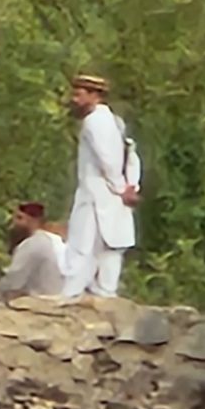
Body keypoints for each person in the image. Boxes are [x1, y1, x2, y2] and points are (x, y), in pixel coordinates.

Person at [61, 75, 141, 298]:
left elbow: (110, 159)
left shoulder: (95, 121)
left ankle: (73, 295)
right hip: (110, 196)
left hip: (98, 196)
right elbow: (131, 155)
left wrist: (122, 188)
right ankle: (104, 292)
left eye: (78, 95)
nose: (74, 99)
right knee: (107, 250)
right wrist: (131, 185)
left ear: (94, 95)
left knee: (83, 247)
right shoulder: (114, 121)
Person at [0, 202, 65, 299]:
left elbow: (13, 281)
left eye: (20, 218)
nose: (14, 224)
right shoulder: (54, 240)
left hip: (42, 301)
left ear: (34, 221)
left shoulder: (32, 244)